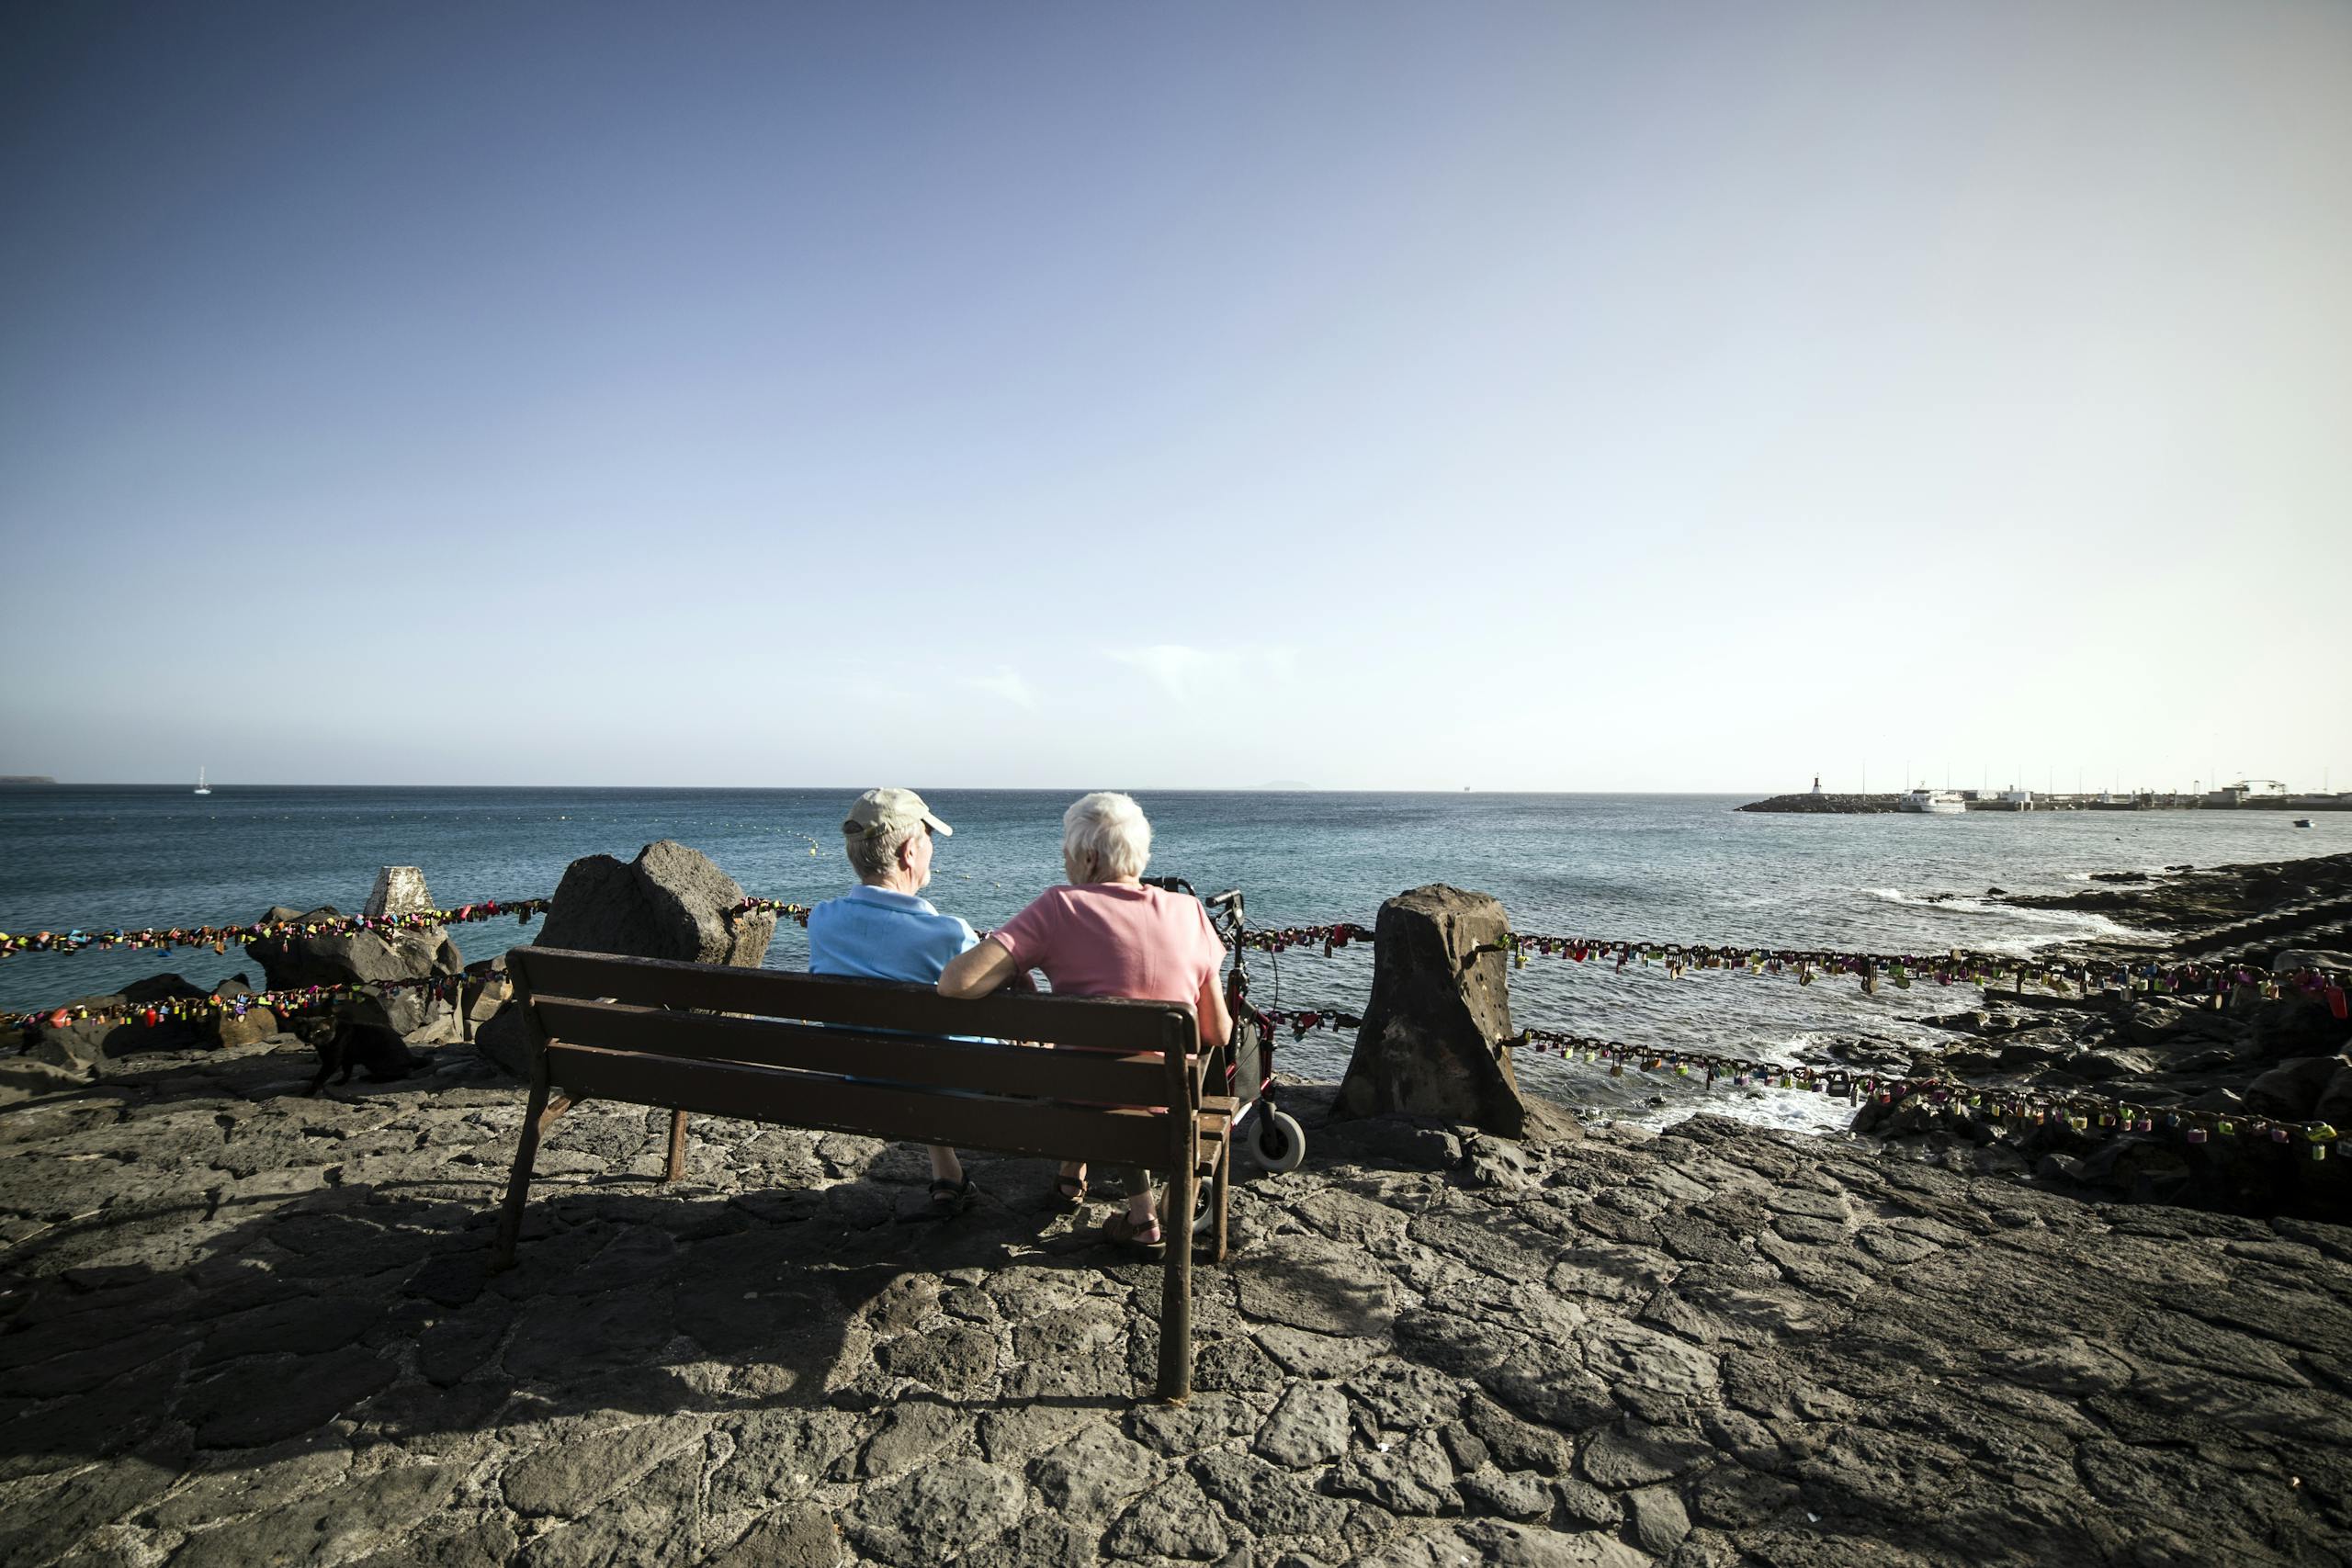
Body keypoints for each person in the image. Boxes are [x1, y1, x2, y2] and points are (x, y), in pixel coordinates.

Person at [937, 791, 1230, 1256]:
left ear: (1089, 858)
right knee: (1128, 1077)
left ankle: (1085, 1182)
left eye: (1067, 854)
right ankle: (1131, 1207)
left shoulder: (1059, 908)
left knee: (1095, 1072)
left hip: (1075, 1110)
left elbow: (955, 982)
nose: (1065, 863)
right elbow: (1218, 1032)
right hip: (1165, 1113)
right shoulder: (1189, 912)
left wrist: (1016, 967)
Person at [806, 787, 980, 1215]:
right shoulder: (950, 934)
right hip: (952, 1084)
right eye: (928, 840)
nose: (932, 851)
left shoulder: (822, 921)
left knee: (917, 1046)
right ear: (908, 852)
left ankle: (947, 1172)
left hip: (864, 1079)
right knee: (951, 1049)